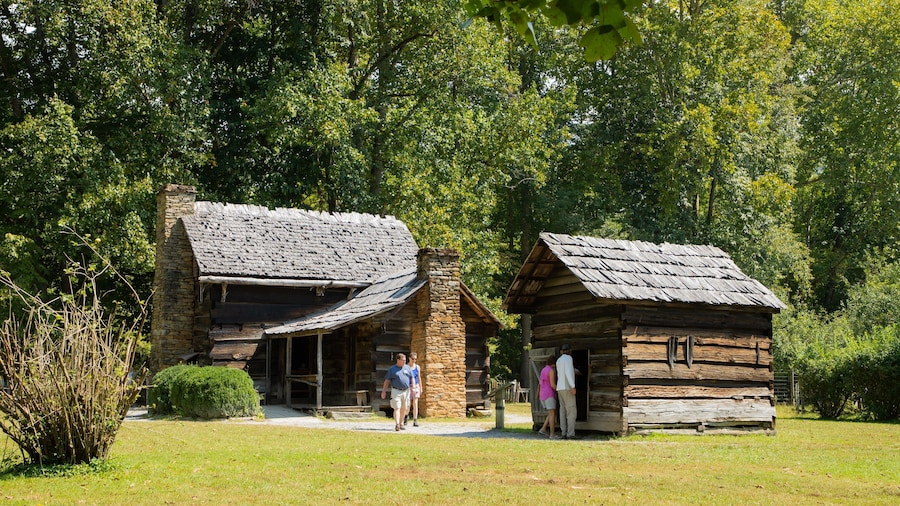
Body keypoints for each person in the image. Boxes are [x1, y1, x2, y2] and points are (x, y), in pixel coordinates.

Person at [381, 353, 413, 431]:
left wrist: (413, 388)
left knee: (404, 408)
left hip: (406, 391)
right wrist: (384, 391)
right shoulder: (392, 369)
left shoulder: (407, 368)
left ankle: (401, 423)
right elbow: (387, 381)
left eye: (405, 360)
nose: (404, 362)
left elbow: (412, 378)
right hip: (396, 391)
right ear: (398, 360)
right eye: (403, 360)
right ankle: (397, 424)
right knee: (397, 407)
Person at [556, 343, 578, 439]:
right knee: (571, 411)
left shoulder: (559, 360)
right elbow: (568, 373)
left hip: (560, 388)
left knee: (562, 411)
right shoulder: (569, 359)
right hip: (567, 387)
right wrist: (572, 386)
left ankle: (563, 432)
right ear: (570, 351)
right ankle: (570, 433)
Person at [538, 355, 557, 438]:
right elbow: (552, 385)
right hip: (549, 394)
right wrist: (559, 389)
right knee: (552, 413)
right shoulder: (551, 371)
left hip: (543, 394)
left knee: (550, 412)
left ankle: (543, 428)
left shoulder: (543, 369)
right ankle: (552, 434)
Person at [408, 352, 421, 427]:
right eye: (413, 359)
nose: (414, 361)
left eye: (415, 359)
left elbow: (419, 378)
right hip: (408, 386)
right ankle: (406, 416)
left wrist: (421, 387)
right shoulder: (406, 367)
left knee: (415, 403)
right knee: (408, 403)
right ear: (409, 358)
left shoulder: (417, 367)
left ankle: (415, 419)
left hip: (416, 386)